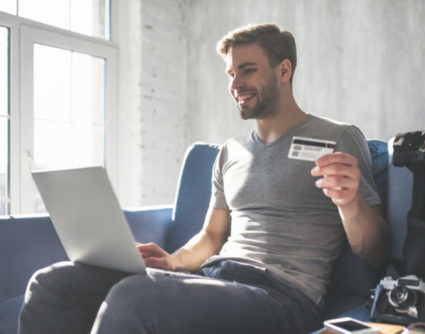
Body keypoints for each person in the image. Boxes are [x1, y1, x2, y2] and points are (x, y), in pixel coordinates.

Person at [19, 23, 389, 334]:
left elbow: (374, 251)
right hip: (216, 278)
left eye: (247, 69)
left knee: (133, 298)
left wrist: (350, 202)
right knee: (53, 284)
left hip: (284, 295)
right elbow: (213, 236)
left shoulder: (338, 138)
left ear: (284, 70)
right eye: (231, 73)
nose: (235, 83)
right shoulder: (229, 153)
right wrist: (172, 261)